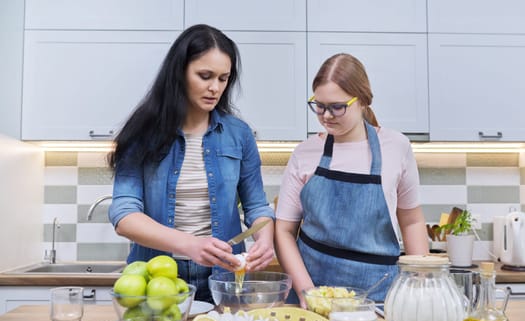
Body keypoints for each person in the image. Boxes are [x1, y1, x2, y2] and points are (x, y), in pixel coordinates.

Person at [108, 24, 275, 303]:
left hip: (224, 277)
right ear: (179, 73)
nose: (215, 88)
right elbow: (124, 216)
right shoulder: (142, 132)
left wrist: (265, 239)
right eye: (205, 76)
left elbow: (257, 207)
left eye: (223, 79)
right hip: (156, 277)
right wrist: (190, 244)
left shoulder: (239, 135)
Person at [274, 53, 429, 306]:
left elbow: (411, 220)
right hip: (313, 293)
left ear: (363, 101)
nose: (326, 116)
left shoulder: (396, 146)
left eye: (337, 107)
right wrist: (306, 292)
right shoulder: (304, 153)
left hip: (379, 296)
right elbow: (283, 230)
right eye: (319, 105)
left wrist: (421, 284)